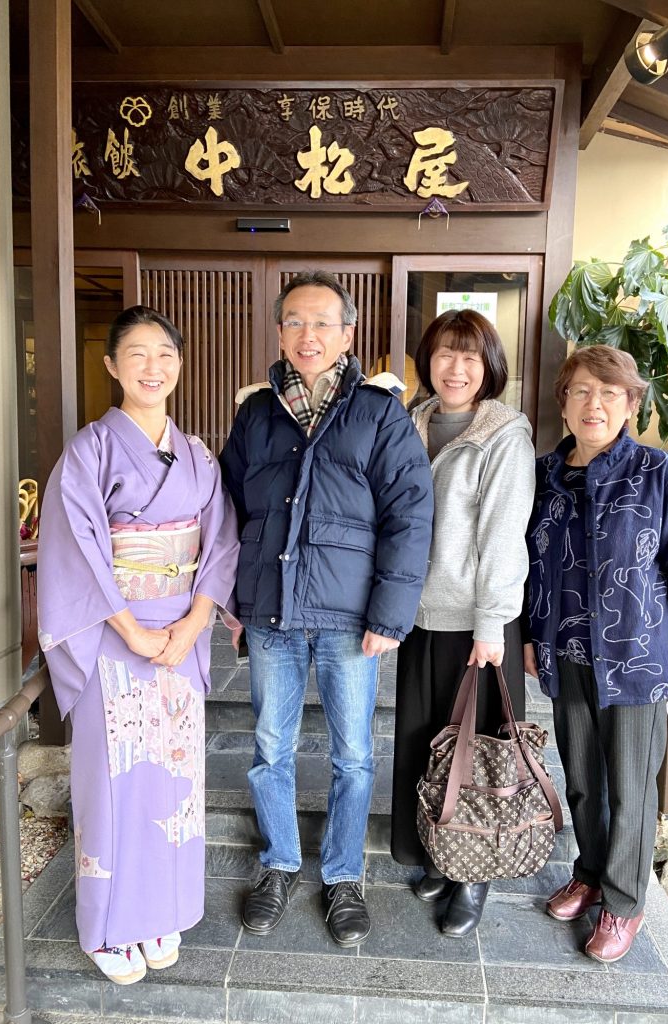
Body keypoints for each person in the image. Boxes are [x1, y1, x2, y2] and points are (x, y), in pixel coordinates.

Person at [219, 270, 433, 947]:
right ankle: (278, 863)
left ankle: (342, 876)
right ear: (279, 332)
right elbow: (226, 511)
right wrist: (230, 599)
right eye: (294, 323)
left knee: (351, 755)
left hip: (349, 617)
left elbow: (409, 513)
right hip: (271, 612)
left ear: (347, 333)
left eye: (322, 323)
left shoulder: (377, 411)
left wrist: (390, 614)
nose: (307, 336)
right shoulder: (255, 413)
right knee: (269, 748)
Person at [37, 306, 240, 985]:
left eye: (165, 355)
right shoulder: (89, 451)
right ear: (111, 365)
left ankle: (159, 913)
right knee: (112, 782)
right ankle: (105, 926)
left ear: (178, 365)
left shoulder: (200, 457)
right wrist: (130, 628)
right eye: (138, 354)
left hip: (179, 639)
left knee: (172, 783)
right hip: (111, 641)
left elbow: (219, 544)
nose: (153, 367)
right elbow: (78, 549)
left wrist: (192, 624)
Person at [523, 344, 668, 963]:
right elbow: (533, 566)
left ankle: (625, 903)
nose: (594, 404)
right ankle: (590, 870)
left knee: (630, 786)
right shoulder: (546, 474)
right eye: (581, 391)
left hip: (636, 658)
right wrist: (531, 634)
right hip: (568, 650)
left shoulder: (655, 472)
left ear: (631, 404)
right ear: (565, 402)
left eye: (610, 393)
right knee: (582, 779)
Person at [391, 309, 535, 937]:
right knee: (430, 740)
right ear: (427, 361)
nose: (455, 368)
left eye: (470, 357)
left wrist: (492, 626)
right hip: (419, 615)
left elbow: (505, 536)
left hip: (477, 623)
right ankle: (437, 851)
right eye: (445, 354)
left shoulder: (504, 435)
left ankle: (471, 875)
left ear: (488, 368)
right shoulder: (409, 423)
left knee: (476, 749)